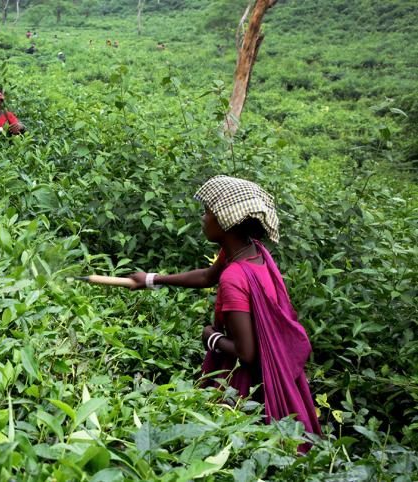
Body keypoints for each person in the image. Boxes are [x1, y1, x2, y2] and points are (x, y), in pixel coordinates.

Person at [127, 176, 321, 450]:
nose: (203, 218)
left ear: (226, 222)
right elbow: (207, 276)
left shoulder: (234, 278)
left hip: (246, 381)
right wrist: (151, 279)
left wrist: (210, 337)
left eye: (208, 212)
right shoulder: (251, 251)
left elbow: (247, 352)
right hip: (268, 369)